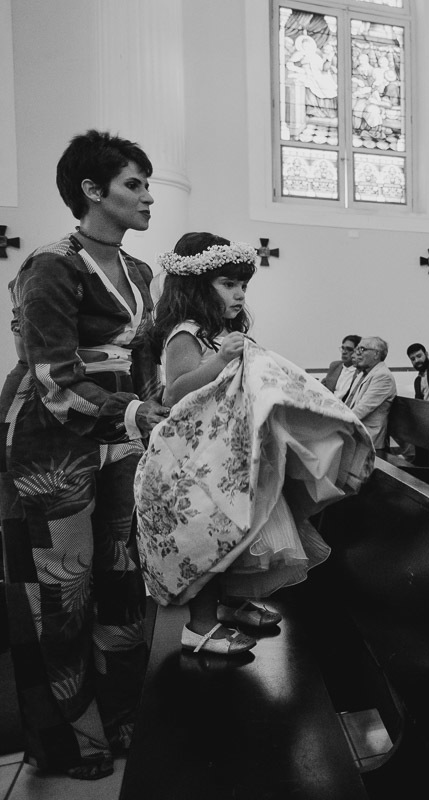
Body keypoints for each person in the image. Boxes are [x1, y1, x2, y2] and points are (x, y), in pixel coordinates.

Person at [0, 130, 169, 780]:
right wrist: (130, 410)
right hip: (53, 448)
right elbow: (52, 376)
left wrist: (156, 408)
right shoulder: (52, 265)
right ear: (92, 191)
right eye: (135, 184)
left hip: (120, 443)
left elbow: (145, 359)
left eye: (148, 184)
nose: (148, 196)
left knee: (122, 584)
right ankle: (73, 741)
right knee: (64, 597)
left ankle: (124, 716)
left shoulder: (141, 271)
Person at [137, 233, 373, 659]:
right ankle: (200, 626)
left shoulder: (221, 331)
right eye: (229, 284)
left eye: (243, 286)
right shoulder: (185, 334)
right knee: (212, 534)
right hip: (194, 461)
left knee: (242, 531)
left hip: (225, 454)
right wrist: (219, 360)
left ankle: (229, 605)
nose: (239, 294)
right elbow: (176, 394)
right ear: (195, 287)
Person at [344, 336, 396, 455]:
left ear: (376, 354)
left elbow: (361, 410)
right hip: (356, 432)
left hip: (367, 438)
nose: (357, 353)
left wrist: (334, 422)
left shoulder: (383, 376)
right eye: (357, 349)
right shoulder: (364, 373)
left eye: (362, 349)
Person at [321, 334, 361, 400]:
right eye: (343, 348)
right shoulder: (335, 366)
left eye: (349, 349)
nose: (344, 352)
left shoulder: (360, 371)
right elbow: (324, 387)